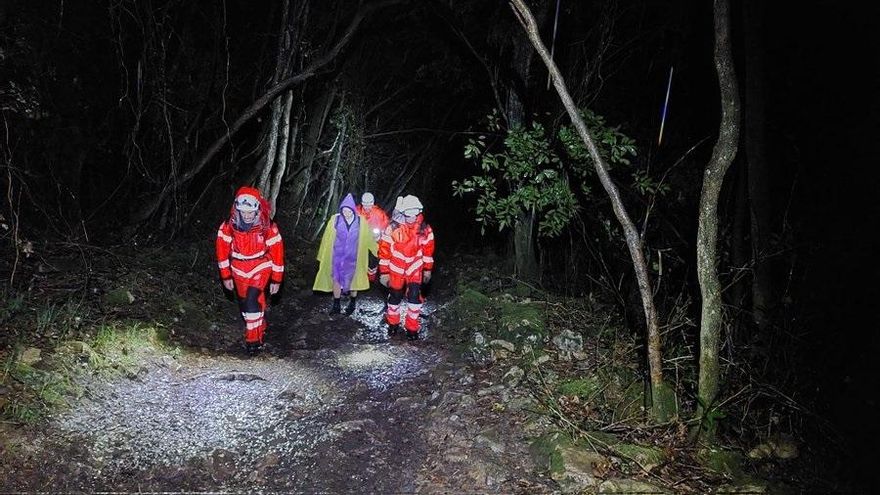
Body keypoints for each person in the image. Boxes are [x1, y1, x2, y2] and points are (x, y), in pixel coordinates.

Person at [215, 186, 284, 354]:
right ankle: (260, 326)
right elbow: (222, 254)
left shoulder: (268, 228)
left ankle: (253, 340)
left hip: (261, 266)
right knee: (246, 304)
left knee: (252, 301)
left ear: (257, 211)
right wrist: (226, 277)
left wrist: (276, 279)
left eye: (250, 212)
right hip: (238, 268)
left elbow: (277, 255)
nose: (247, 216)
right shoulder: (227, 227)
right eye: (243, 212)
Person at [378, 194, 435, 340]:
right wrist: (384, 272)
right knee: (395, 296)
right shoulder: (392, 228)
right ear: (403, 212)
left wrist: (428, 269)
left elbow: (428, 249)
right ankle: (393, 324)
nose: (411, 217)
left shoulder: (425, 229)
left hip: (415, 266)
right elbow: (384, 250)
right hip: (396, 266)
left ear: (418, 212)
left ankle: (412, 328)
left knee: (414, 297)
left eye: (414, 213)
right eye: (408, 213)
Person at [313, 193, 378, 315]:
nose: (346, 213)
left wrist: (378, 251)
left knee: (354, 281)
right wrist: (321, 255)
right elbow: (326, 238)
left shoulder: (360, 221)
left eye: (349, 210)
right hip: (337, 256)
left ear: (353, 210)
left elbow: (368, 238)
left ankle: (352, 302)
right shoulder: (335, 219)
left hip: (355, 257)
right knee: (336, 279)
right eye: (344, 210)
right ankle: (336, 304)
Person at [355, 192, 390, 283]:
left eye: (369, 203)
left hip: (375, 241)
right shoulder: (356, 211)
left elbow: (387, 226)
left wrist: (380, 234)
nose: (367, 206)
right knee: (359, 259)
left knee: (373, 260)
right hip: (359, 241)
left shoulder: (379, 213)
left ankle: (370, 280)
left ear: (373, 203)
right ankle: (359, 278)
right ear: (362, 203)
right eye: (365, 204)